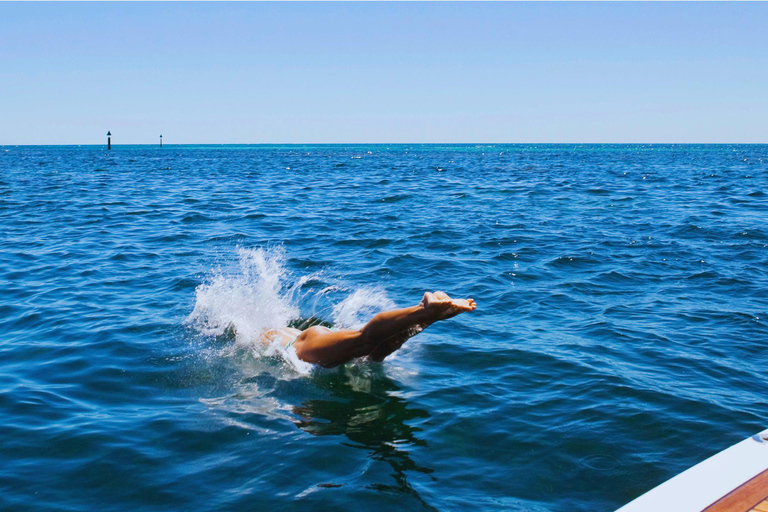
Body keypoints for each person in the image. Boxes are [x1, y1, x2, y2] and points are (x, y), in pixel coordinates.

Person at [264, 291, 476, 368]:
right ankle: (432, 316)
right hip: (318, 336)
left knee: (364, 342)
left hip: (301, 345)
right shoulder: (278, 329)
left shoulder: (262, 334)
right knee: (384, 347)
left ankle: (423, 310)